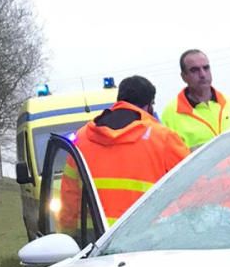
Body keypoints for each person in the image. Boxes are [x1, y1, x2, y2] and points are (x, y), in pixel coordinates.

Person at [59, 75, 189, 229]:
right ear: (149, 105)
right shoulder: (163, 138)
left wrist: (70, 238)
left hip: (95, 241)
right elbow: (192, 185)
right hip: (149, 238)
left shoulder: (80, 138)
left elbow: (70, 196)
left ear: (119, 99)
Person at [161, 50, 230, 150]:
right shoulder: (170, 114)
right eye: (194, 70)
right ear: (184, 76)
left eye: (206, 68)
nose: (202, 74)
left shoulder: (229, 104)